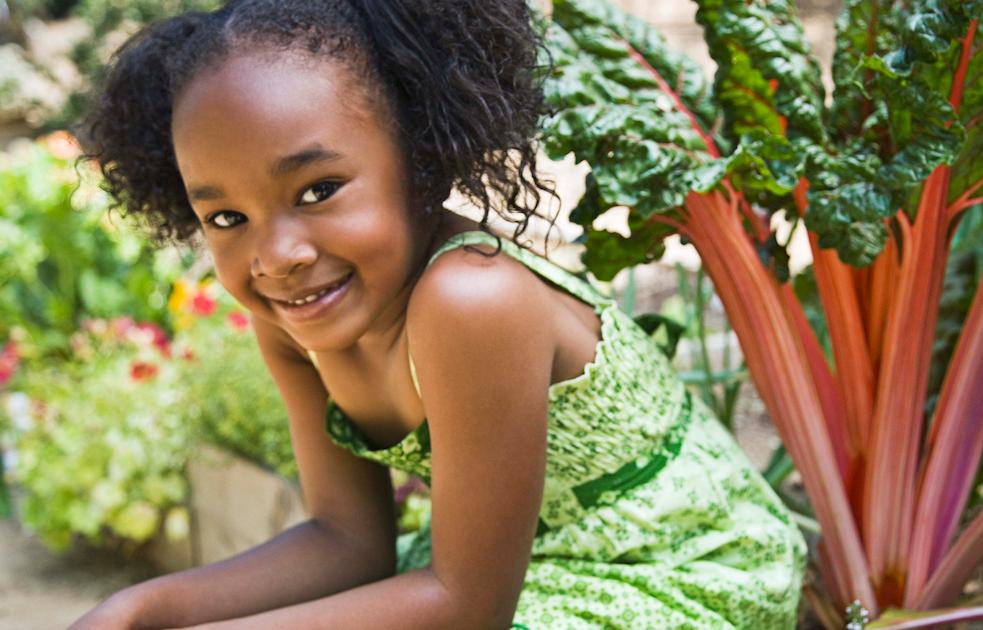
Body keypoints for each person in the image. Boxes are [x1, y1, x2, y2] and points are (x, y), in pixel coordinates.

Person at [72, 1, 806, 627]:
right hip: (515, 568)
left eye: (319, 189)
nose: (277, 254)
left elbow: (465, 605)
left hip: (682, 570)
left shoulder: (471, 298)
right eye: (227, 216)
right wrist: (142, 609)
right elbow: (348, 541)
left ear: (422, 152)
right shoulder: (290, 321)